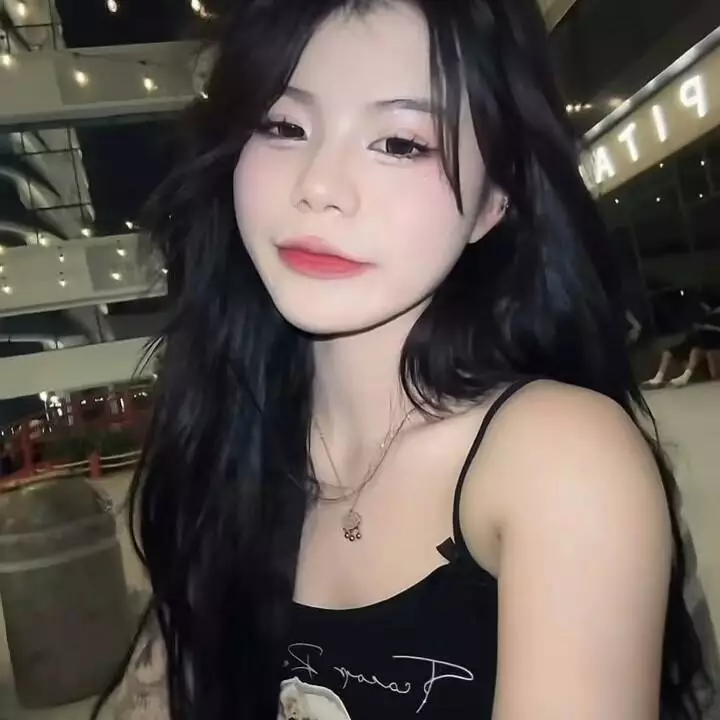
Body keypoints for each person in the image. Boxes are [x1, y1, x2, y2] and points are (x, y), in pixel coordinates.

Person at [94, 1, 718, 718]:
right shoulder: (226, 442)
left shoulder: (559, 460)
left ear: (495, 200)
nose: (319, 186)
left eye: (399, 142)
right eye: (284, 125)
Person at [644, 296, 720, 388]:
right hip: (696, 337)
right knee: (668, 352)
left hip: (712, 339)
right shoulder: (704, 313)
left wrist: (708, 327)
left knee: (696, 349)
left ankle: (685, 376)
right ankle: (658, 377)